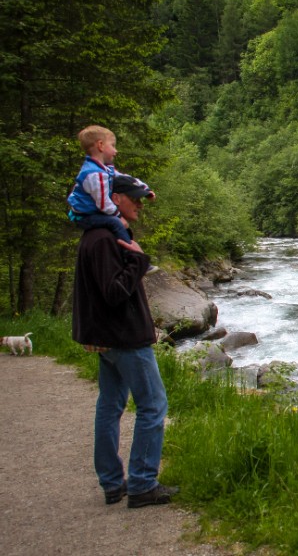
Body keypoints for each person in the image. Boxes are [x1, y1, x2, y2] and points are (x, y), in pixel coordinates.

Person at [72, 174, 178, 508]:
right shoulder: (106, 239)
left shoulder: (98, 235)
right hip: (125, 339)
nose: (139, 206)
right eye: (134, 199)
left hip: (109, 338)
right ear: (114, 198)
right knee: (153, 406)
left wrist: (90, 333)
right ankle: (143, 484)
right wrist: (139, 259)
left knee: (110, 405)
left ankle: (113, 483)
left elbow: (93, 295)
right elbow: (114, 292)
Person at [67, 125, 155, 245]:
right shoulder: (94, 174)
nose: (116, 151)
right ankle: (130, 252)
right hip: (84, 216)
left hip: (91, 212)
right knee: (116, 223)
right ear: (101, 145)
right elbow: (103, 203)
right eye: (113, 146)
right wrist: (119, 217)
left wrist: (145, 188)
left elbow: (124, 177)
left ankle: (130, 250)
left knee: (116, 222)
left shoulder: (103, 169)